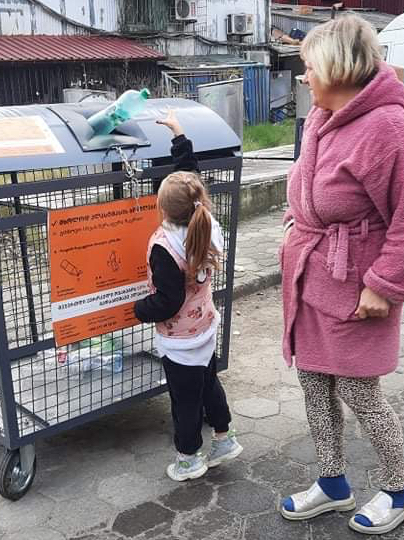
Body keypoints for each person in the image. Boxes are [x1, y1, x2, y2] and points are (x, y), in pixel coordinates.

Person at [278, 15, 404, 535]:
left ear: (337, 67)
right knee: (314, 384)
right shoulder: (322, 118)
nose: (304, 77)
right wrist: (297, 219)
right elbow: (311, 189)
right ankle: (332, 483)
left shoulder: (388, 128)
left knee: (360, 393)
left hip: (356, 289)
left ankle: (399, 491)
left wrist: (384, 285)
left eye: (309, 67)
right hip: (310, 279)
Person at [134, 110, 243, 482]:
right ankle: (224, 440)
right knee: (208, 383)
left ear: (162, 208)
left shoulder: (164, 247)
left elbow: (168, 300)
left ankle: (189, 459)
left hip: (180, 341)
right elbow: (189, 177)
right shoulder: (205, 221)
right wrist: (178, 133)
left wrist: (138, 309)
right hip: (205, 327)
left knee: (185, 401)